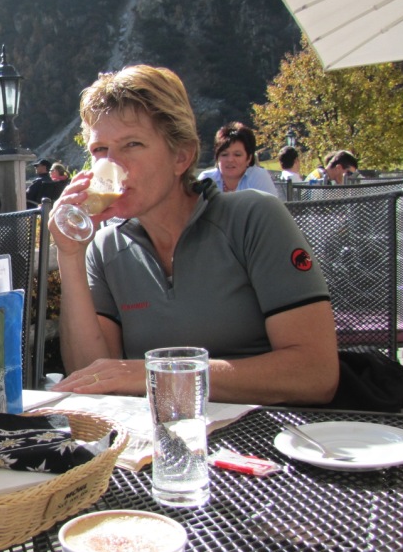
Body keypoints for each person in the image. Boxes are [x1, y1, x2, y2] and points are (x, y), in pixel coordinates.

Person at [48, 65, 338, 406]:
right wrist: (70, 255)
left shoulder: (252, 218)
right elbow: (91, 376)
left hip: (267, 430)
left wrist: (153, 375)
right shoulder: (104, 248)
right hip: (160, 433)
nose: (111, 165)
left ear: (181, 156)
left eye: (132, 144)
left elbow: (315, 374)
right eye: (100, 150)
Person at [197, 122, 278, 196]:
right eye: (224, 155)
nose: (230, 160)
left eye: (237, 155)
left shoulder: (258, 177)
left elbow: (269, 207)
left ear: (249, 158)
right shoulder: (207, 180)